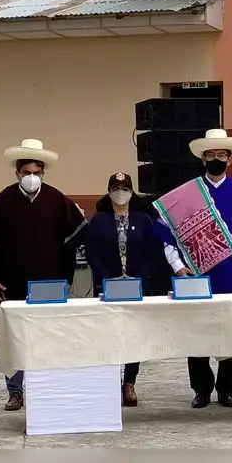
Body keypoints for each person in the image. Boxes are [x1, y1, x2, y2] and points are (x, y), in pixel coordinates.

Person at [154, 129, 232, 409]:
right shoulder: (188, 193)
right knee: (196, 332)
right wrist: (178, 267)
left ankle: (226, 390)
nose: (216, 159)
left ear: (230, 160)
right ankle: (201, 389)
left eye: (221, 155)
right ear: (203, 159)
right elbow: (169, 234)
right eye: (211, 155)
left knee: (230, 333)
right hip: (196, 276)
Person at [0, 138, 86, 411]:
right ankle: (15, 391)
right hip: (11, 281)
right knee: (15, 339)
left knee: (48, 336)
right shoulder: (0, 203)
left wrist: (66, 280)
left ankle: (46, 388)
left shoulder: (58, 201)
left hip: (49, 282)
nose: (31, 177)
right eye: (26, 172)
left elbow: (71, 244)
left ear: (43, 172)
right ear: (17, 173)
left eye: (36, 172)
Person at [83, 172, 177, 407]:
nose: (120, 192)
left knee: (133, 337)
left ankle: (129, 383)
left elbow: (155, 253)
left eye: (124, 188)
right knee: (110, 336)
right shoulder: (99, 220)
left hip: (137, 287)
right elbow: (92, 253)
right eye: (115, 187)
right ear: (108, 192)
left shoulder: (143, 219)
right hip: (109, 288)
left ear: (132, 191)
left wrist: (139, 277)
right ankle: (111, 382)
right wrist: (108, 278)